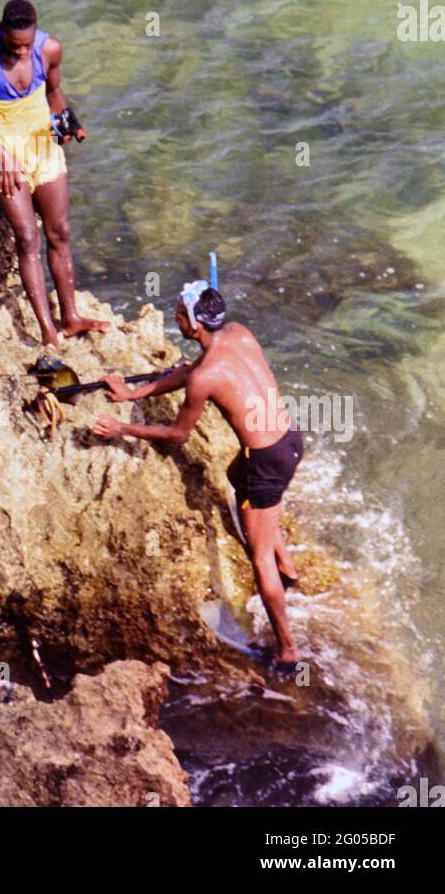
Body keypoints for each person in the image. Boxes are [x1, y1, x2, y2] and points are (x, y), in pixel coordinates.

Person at [91, 282, 304, 668]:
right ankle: (287, 566)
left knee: (259, 560)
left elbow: (177, 434)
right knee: (235, 473)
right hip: (289, 441)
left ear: (194, 323)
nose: (174, 318)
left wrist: (122, 429)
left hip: (267, 461)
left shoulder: (207, 375)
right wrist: (132, 394)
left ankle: (288, 650)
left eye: (178, 314)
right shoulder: (239, 333)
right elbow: (189, 373)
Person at [0, 0, 109, 349]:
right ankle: (47, 331)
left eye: (27, 45)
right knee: (26, 238)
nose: (22, 53)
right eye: (13, 45)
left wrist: (67, 120)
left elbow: (54, 92)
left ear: (36, 34)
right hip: (5, 156)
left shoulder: (50, 49)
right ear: (1, 31)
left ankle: (71, 317)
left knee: (60, 232)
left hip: (43, 148)